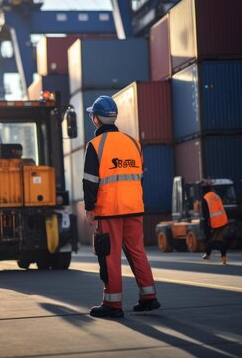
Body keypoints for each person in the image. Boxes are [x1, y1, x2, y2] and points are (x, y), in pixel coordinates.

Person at [83, 95, 160, 318]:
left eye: (92, 115)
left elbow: (90, 181)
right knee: (138, 252)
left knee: (110, 256)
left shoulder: (95, 145)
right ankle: (149, 297)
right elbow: (138, 178)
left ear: (96, 118)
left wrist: (90, 208)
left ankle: (112, 304)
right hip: (134, 208)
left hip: (109, 211)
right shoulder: (133, 142)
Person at [200, 185, 229, 265]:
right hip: (223, 221)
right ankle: (224, 258)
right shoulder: (216, 196)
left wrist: (207, 225)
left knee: (210, 239)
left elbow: (205, 214)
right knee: (219, 239)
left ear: (203, 191)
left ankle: (208, 255)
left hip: (214, 223)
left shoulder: (205, 198)